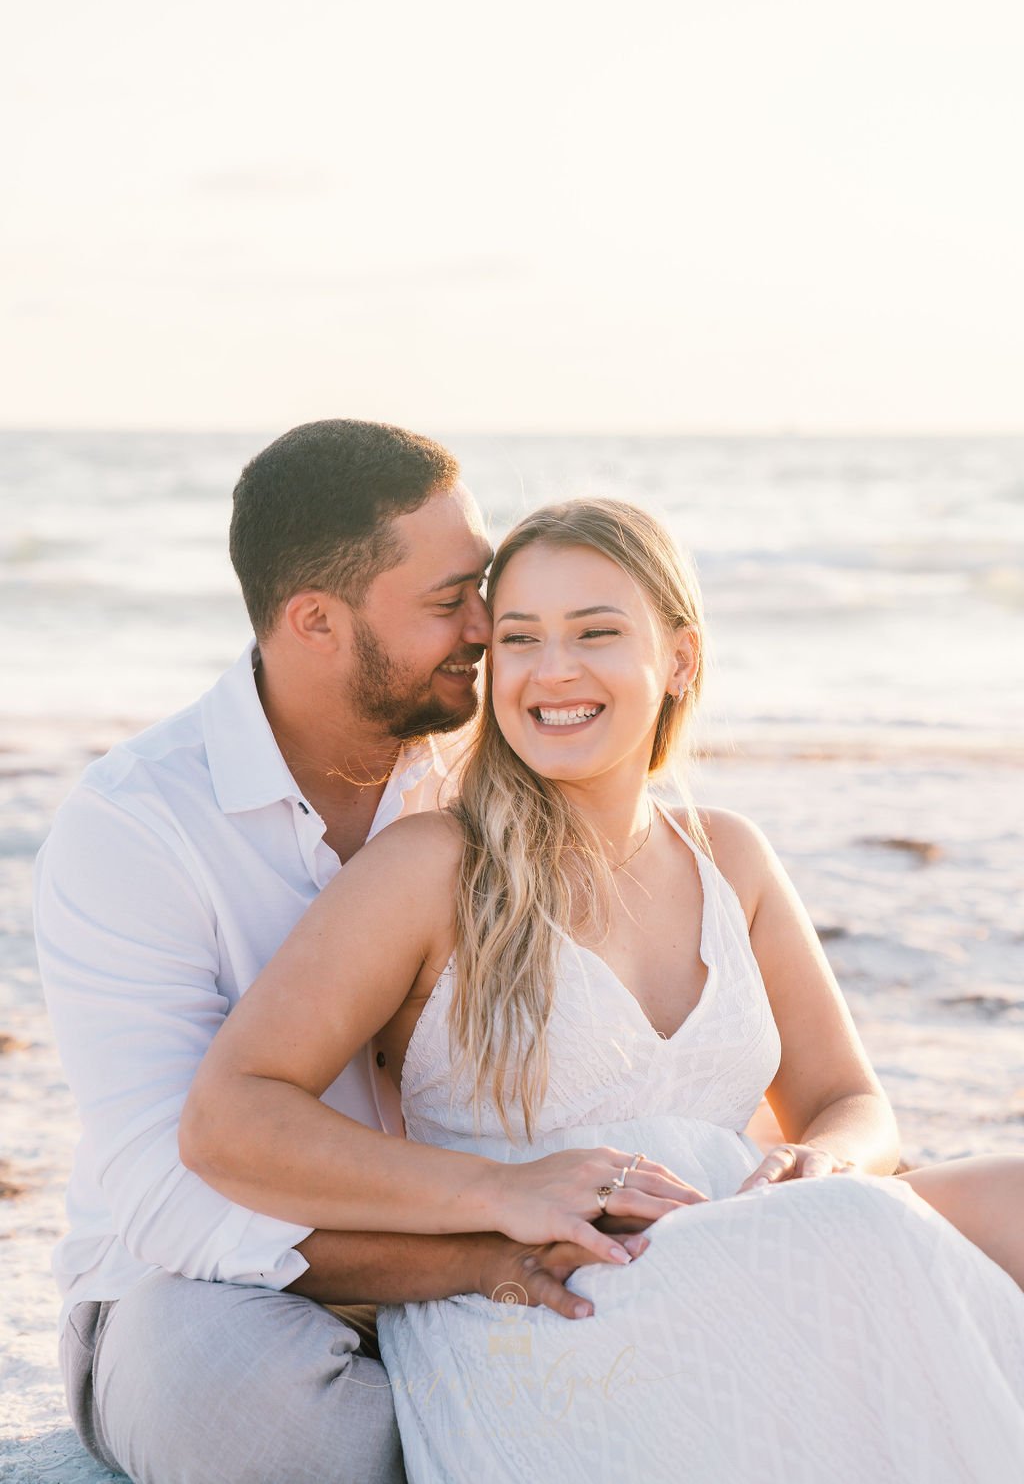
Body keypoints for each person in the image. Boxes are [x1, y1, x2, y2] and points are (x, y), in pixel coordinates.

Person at [183, 497, 1024, 1483]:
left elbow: (851, 1099)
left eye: (595, 632)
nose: (553, 669)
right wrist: (498, 1193)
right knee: (863, 1232)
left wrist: (826, 1161)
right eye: (518, 638)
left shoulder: (730, 856)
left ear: (679, 658)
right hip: (556, 1304)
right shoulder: (432, 865)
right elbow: (229, 1116)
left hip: (750, 1232)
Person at [34, 421, 649, 1484]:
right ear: (315, 620)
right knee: (256, 1417)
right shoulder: (136, 823)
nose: (485, 624)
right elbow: (166, 1191)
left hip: (505, 1241)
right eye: (448, 599)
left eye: (483, 584)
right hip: (212, 1287)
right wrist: (480, 1251)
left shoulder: (491, 775)